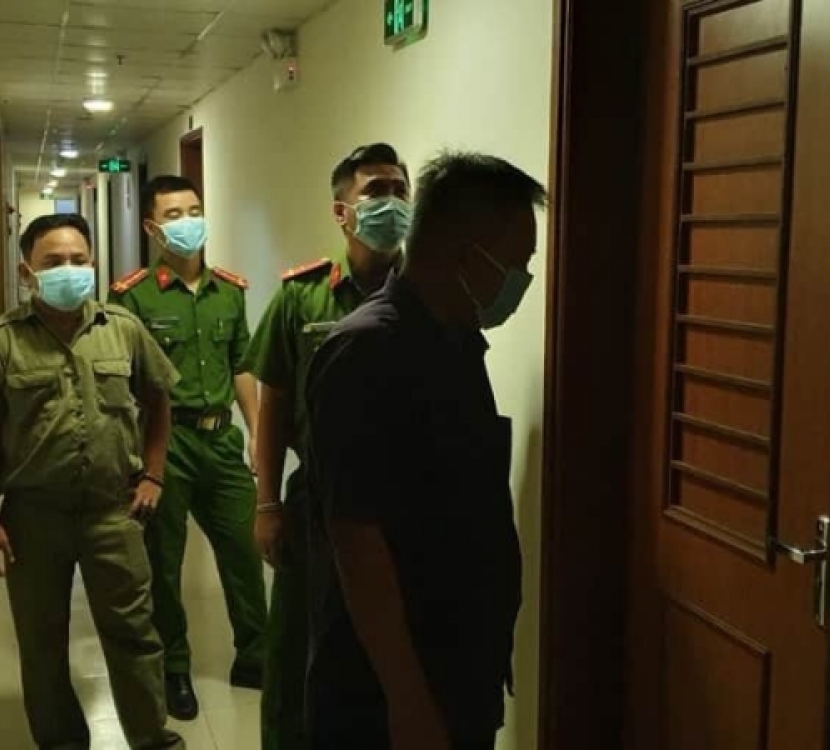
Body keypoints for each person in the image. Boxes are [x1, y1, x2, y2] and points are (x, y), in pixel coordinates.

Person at [303, 151, 546, 750]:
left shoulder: (457, 340)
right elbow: (357, 542)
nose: (521, 280)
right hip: (387, 692)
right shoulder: (366, 353)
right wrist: (407, 702)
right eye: (516, 264)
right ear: (464, 254)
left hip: (457, 668)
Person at [0, 213, 185, 750]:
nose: (69, 269)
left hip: (114, 512)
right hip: (33, 518)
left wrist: (153, 475)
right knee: (41, 646)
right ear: (26, 272)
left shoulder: (123, 328)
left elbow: (158, 400)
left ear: (94, 263)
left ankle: (151, 739)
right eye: (53, 261)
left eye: (79, 260)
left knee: (135, 636)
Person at [242, 143, 412, 750]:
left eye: (399, 190)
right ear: (343, 212)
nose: (391, 202)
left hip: (403, 501)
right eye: (375, 191)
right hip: (317, 496)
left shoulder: (427, 291)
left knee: (390, 643)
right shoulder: (303, 296)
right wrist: (266, 504)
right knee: (296, 645)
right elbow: (273, 408)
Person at [108, 175, 266, 720]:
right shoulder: (132, 296)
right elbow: (123, 379)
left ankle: (256, 656)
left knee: (244, 551)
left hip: (221, 441)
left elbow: (242, 363)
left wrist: (257, 434)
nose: (188, 222)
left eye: (194, 210)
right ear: (152, 228)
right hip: (165, 444)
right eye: (174, 214)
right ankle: (174, 666)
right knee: (163, 562)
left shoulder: (230, 290)